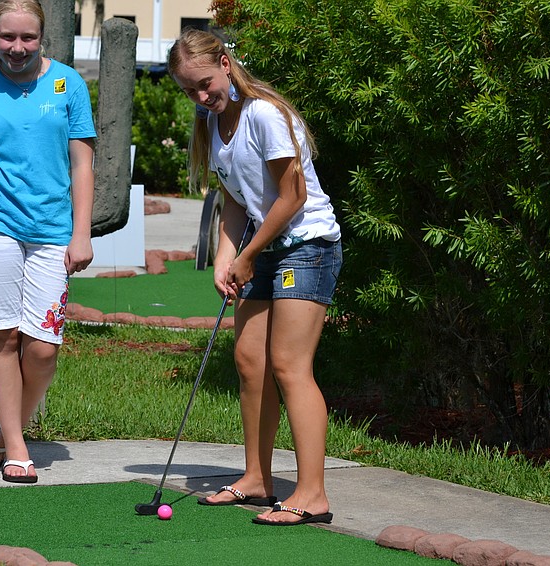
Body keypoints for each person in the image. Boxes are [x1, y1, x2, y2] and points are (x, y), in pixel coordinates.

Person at [167, 29, 342, 525]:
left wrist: (249, 256)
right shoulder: (213, 123)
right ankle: (257, 479)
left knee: (289, 365)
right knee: (250, 362)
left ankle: (312, 495)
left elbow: (293, 197)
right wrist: (227, 257)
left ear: (225, 63)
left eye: (205, 84)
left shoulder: (264, 113)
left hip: (307, 245)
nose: (202, 97)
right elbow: (236, 199)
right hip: (264, 248)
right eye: (190, 92)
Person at [0, 0, 96, 483]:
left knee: (44, 347)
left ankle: (0, 429)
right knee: (4, 334)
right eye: (8, 37)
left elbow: (83, 164)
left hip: (52, 228)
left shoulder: (69, 84)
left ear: (42, 36)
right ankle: (16, 446)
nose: (18, 48)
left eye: (27, 38)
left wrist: (82, 231)